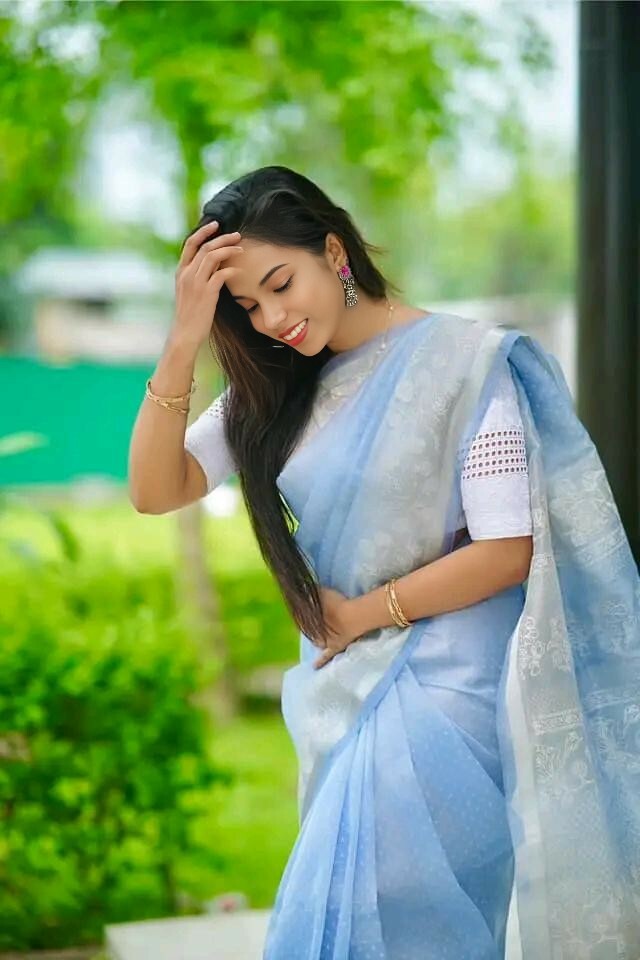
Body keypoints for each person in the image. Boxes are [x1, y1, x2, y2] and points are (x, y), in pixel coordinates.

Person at [128, 165, 640, 959]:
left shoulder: (463, 365)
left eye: (280, 284)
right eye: (248, 306)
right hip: (346, 687)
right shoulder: (274, 391)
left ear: (334, 252)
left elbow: (507, 550)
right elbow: (156, 490)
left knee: (387, 924)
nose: (272, 318)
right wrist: (183, 340)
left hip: (448, 696)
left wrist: (361, 615)